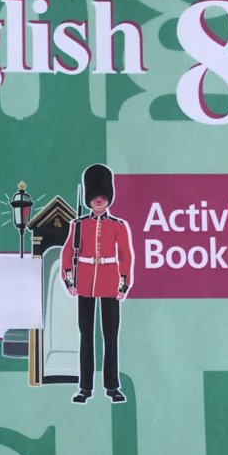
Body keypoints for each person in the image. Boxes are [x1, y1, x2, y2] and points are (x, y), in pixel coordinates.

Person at [61, 164, 134, 404]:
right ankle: (85, 387)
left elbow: (125, 256)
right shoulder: (78, 225)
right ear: (89, 198)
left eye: (102, 195)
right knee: (86, 337)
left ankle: (112, 386)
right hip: (84, 284)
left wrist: (123, 284)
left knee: (110, 337)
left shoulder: (118, 226)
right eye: (94, 196)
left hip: (110, 283)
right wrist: (69, 279)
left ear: (108, 196)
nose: (99, 200)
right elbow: (67, 254)